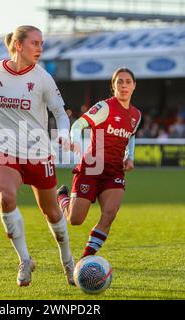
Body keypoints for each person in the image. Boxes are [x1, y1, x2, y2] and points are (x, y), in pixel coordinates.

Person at [0, 25, 75, 287]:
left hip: (38, 153)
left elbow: (61, 113)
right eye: (34, 43)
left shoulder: (43, 78)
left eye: (42, 44)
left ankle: (67, 260)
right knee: (6, 197)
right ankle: (25, 260)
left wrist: (63, 133)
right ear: (18, 45)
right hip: (3, 148)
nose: (40, 48)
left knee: (52, 212)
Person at [57, 67, 141, 259]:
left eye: (128, 81)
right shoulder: (104, 107)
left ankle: (85, 260)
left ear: (134, 86)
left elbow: (132, 135)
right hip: (92, 167)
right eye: (119, 81)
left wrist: (130, 157)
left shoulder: (136, 115)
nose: (124, 85)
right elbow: (79, 124)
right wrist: (75, 141)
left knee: (109, 214)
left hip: (114, 172)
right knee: (75, 219)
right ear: (113, 86)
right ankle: (62, 197)